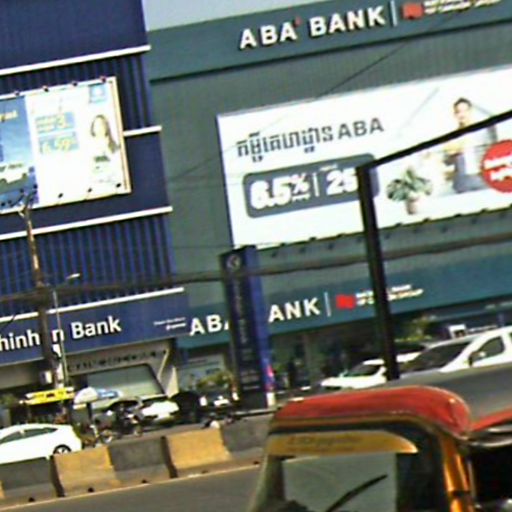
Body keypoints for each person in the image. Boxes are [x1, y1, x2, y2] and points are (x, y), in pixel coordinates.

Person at [443, 97, 497, 193]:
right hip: (463, 182)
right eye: (458, 112)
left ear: (470, 111)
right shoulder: (453, 137)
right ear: (454, 114)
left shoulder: (482, 131)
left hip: (482, 178)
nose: (462, 115)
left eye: (465, 111)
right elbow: (447, 159)